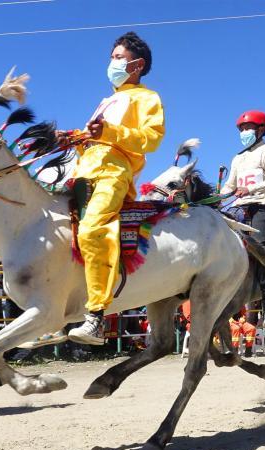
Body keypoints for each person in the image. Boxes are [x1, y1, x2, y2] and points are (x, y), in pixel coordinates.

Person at [64, 32, 165, 342]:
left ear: (137, 64)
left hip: (113, 171)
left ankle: (95, 316)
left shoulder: (148, 98)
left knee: (93, 229)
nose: (113, 63)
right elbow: (92, 140)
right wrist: (74, 138)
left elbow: (152, 139)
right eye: (112, 57)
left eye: (119, 57)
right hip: (83, 171)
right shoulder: (106, 101)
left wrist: (108, 131)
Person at [222, 111, 265, 326]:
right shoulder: (237, 158)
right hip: (238, 206)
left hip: (261, 205)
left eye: (248, 128)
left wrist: (251, 189)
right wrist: (217, 198)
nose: (244, 132)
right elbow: (230, 186)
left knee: (257, 244)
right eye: (241, 129)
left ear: (261, 129)